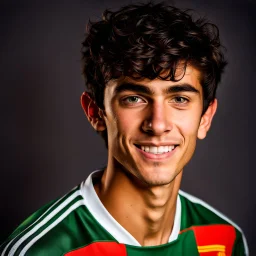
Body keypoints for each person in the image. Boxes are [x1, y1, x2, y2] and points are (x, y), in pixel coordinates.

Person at [0, 2, 249, 255]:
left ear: (205, 118)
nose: (158, 124)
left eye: (180, 99)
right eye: (134, 98)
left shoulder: (226, 240)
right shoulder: (41, 250)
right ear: (96, 113)